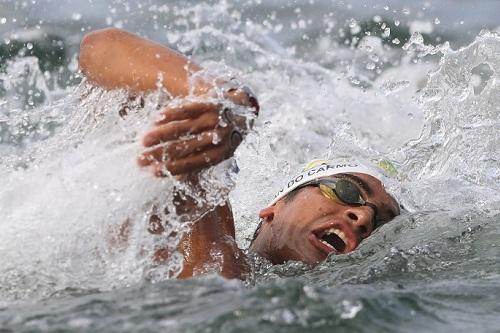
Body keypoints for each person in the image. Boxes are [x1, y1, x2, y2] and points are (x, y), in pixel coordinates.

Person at [79, 28, 400, 280]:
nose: (365, 218)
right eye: (346, 190)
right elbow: (100, 48)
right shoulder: (199, 228)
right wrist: (226, 101)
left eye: (383, 224)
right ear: (273, 207)